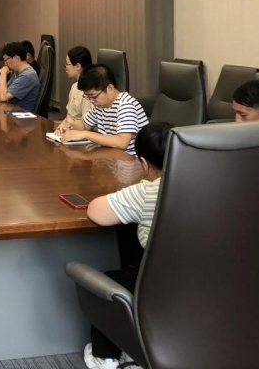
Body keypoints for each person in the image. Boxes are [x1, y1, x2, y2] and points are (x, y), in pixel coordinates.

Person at [82, 122, 172, 369]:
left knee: (109, 281)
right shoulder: (212, 186)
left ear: (143, 163)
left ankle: (105, 357)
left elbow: (97, 212)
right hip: (209, 282)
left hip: (160, 285)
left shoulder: (147, 193)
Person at [57, 64, 148, 155]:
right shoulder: (99, 105)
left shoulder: (126, 105)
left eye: (93, 96)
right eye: (88, 97)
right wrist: (69, 126)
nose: (91, 101)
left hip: (132, 160)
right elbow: (84, 124)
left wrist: (85, 134)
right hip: (111, 156)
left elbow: (122, 142)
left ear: (110, 89)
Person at [56, 46, 94, 131]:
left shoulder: (88, 91)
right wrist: (60, 127)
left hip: (77, 132)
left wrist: (67, 128)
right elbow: (69, 116)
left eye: (67, 64)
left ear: (77, 66)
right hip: (68, 130)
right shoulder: (74, 86)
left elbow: (86, 124)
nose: (65, 67)